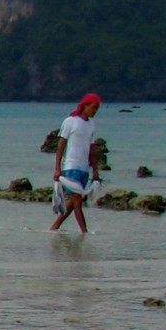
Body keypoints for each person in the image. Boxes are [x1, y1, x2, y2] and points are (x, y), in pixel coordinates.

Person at [48, 93, 101, 233]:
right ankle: (84, 232)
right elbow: (61, 145)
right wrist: (57, 168)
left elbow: (92, 150)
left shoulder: (91, 125)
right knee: (77, 200)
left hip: (84, 168)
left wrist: (95, 171)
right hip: (71, 167)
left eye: (97, 109)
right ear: (85, 105)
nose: (94, 111)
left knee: (73, 202)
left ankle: (55, 226)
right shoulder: (70, 121)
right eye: (93, 108)